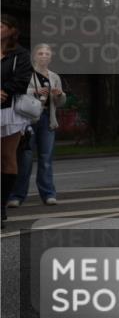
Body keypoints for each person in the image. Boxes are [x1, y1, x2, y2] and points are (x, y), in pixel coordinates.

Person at [9, 44, 66, 207]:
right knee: (24, 159)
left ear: (51, 57)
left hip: (48, 119)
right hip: (28, 121)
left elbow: (60, 102)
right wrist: (35, 91)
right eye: (41, 53)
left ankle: (48, 194)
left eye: (47, 53)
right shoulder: (26, 74)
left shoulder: (54, 77)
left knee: (46, 159)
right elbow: (17, 94)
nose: (44, 56)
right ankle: (17, 196)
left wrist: (60, 95)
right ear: (35, 57)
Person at [1, 15, 33, 225]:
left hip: (8, 111)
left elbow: (22, 80)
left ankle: (1, 206)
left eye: (0, 25)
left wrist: (4, 90)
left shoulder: (21, 55)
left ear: (11, 30)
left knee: (6, 157)